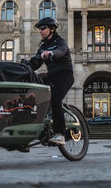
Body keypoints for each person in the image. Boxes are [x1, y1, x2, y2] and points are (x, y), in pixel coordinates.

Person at [29, 17, 74, 145]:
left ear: (52, 29)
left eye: (43, 28)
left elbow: (60, 51)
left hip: (65, 76)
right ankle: (43, 129)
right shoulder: (43, 46)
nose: (40, 31)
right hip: (52, 76)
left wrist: (51, 53)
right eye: (39, 29)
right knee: (35, 92)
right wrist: (23, 66)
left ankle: (60, 134)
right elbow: (36, 62)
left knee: (55, 99)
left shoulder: (60, 42)